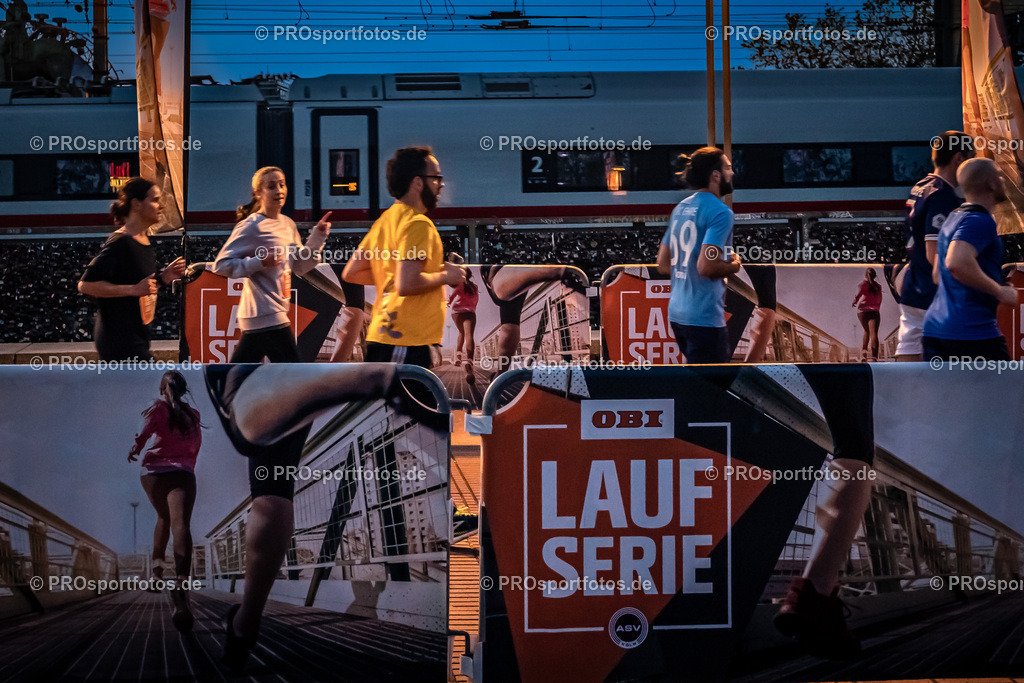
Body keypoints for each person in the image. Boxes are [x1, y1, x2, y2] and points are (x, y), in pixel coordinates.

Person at [342, 147, 465, 369]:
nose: (441, 184)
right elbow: (407, 283)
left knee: (389, 405)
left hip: (385, 338)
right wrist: (446, 275)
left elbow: (352, 272)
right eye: (436, 178)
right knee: (413, 404)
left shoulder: (385, 221)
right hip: (405, 342)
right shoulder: (418, 224)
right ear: (418, 182)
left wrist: (394, 275)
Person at [212, 166, 332, 363]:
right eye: (271, 186)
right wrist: (259, 262)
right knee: (293, 374)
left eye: (282, 185)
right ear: (258, 193)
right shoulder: (251, 226)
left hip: (266, 316)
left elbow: (299, 266)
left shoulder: (287, 224)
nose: (279, 191)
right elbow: (222, 265)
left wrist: (318, 237)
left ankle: (223, 391)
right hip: (266, 313)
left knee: (240, 375)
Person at [78, 177, 186, 361]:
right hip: (120, 342)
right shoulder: (121, 242)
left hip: (137, 339)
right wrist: (133, 289)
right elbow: (85, 285)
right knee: (156, 387)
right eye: (155, 200)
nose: (161, 206)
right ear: (136, 204)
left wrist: (164, 278)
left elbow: (139, 287)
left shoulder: (142, 241)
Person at [128, 370, 203, 632]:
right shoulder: (193, 415)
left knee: (163, 517)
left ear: (162, 389)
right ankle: (181, 583)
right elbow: (195, 447)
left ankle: (156, 574)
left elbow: (143, 433)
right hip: (182, 473)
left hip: (153, 474)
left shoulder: (156, 407)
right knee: (180, 523)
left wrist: (135, 450)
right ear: (183, 390)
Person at [923, 157, 1018, 361]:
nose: (1004, 181)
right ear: (991, 183)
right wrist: (1000, 291)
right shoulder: (980, 221)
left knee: (952, 394)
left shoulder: (952, 219)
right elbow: (956, 263)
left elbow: (938, 275)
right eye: (1000, 176)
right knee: (1007, 392)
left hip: (936, 331)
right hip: (972, 334)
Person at [656, 147, 741, 363]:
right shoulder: (720, 212)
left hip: (678, 315)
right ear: (716, 175)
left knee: (696, 385)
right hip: (704, 318)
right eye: (728, 168)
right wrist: (734, 265)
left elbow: (663, 264)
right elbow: (707, 267)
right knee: (713, 391)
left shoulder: (681, 208)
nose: (732, 173)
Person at [896, 131, 974, 361]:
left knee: (908, 349)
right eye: (971, 157)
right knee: (953, 361)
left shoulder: (920, 186)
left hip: (913, 286)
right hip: (932, 292)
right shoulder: (943, 195)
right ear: (959, 159)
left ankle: (904, 397)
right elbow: (935, 255)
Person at [448, 271, 479, 380]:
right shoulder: (474, 287)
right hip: (470, 313)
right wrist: (472, 309)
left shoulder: (458, 284)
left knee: (461, 332)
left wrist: (449, 301)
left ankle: (458, 356)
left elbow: (452, 296)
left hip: (456, 313)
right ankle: (469, 362)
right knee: (469, 335)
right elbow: (476, 300)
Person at [852, 268, 883, 361]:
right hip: (874, 312)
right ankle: (874, 357)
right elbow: (880, 299)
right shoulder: (878, 286)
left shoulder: (863, 284)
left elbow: (858, 295)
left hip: (862, 312)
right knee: (873, 333)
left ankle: (864, 354)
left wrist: (854, 302)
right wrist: (876, 309)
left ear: (866, 275)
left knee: (866, 331)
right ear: (875, 276)